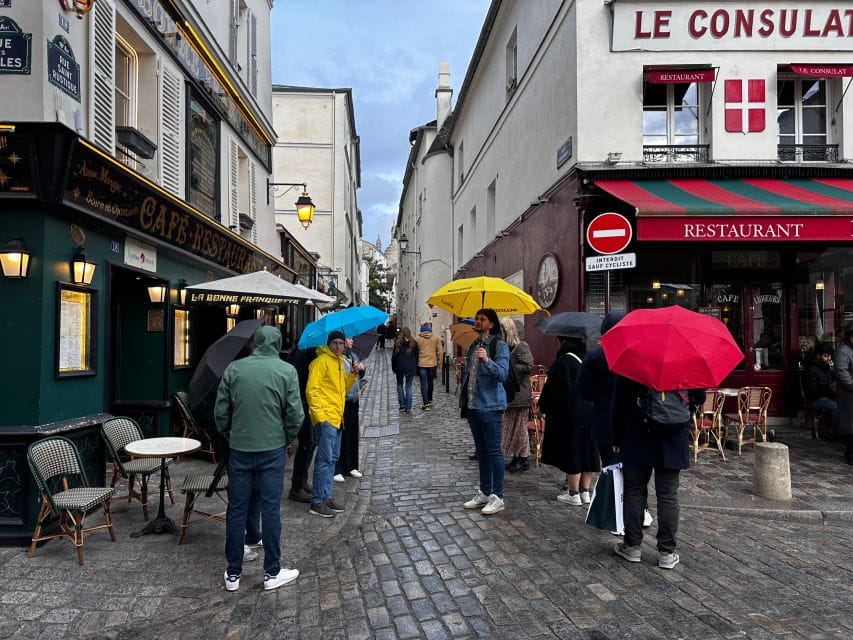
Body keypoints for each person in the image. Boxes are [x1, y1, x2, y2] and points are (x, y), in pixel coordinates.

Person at [214, 326, 304, 592]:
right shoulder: (286, 371)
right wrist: (286, 437)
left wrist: (230, 434)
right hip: (272, 448)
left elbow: (220, 411)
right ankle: (272, 572)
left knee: (236, 509)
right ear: (277, 344)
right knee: (270, 509)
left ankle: (233, 573)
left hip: (240, 448)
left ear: (255, 343)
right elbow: (295, 415)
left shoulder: (234, 369)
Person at [611, 377, 705, 570]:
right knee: (668, 495)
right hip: (674, 437)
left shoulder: (634, 361)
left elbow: (619, 402)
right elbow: (700, 397)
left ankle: (632, 546)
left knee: (634, 490)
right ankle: (667, 553)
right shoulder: (686, 363)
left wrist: (616, 437)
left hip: (638, 433)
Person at [575, 313, 654, 531]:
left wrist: (600, 397)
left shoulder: (594, 357)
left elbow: (581, 389)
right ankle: (642, 511)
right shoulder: (637, 354)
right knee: (636, 470)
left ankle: (617, 516)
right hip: (634, 421)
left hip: (604, 420)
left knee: (610, 467)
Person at [306, 331, 362, 517]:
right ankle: (316, 501)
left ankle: (326, 496)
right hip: (327, 418)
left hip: (338, 417)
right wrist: (320, 417)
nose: (338, 346)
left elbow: (342, 390)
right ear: (329, 344)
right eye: (335, 343)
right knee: (324, 460)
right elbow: (312, 391)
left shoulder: (339, 362)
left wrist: (352, 375)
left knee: (332, 458)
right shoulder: (321, 362)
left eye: (341, 343)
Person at [539, 335, 601, 505]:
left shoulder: (562, 363)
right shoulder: (590, 358)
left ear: (564, 342)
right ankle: (585, 492)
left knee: (572, 451)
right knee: (588, 451)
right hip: (591, 411)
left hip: (569, 414)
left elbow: (551, 391)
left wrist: (542, 407)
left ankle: (573, 493)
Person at [459, 308, 510, 516]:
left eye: (483, 319)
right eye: (477, 318)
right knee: (481, 452)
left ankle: (498, 496)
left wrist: (487, 361)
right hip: (473, 406)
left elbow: (503, 374)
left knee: (494, 451)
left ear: (491, 324)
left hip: (490, 406)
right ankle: (484, 491)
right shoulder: (473, 345)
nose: (478, 322)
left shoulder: (499, 345)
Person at [499, 318, 534, 473]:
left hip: (520, 393)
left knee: (520, 427)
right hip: (509, 393)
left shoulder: (521, 346)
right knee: (510, 427)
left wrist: (510, 368)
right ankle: (516, 456)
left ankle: (523, 459)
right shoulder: (504, 347)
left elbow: (529, 366)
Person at [287, 347, 319, 503]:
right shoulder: (307, 353)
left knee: (311, 442)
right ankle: (296, 486)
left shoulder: (305, 351)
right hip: (303, 403)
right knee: (307, 442)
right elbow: (303, 379)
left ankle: (302, 481)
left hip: (304, 402)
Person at [334, 338, 365, 482]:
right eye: (349, 339)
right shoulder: (337, 359)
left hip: (354, 399)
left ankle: (351, 465)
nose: (352, 341)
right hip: (343, 401)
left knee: (353, 434)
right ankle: (338, 468)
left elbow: (358, 377)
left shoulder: (352, 355)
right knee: (342, 436)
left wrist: (359, 370)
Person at [803, 343, 840, 435]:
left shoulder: (828, 368)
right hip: (816, 399)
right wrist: (829, 388)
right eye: (825, 356)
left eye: (830, 356)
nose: (829, 358)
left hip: (830, 395)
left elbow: (836, 380)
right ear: (818, 356)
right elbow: (812, 390)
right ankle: (838, 433)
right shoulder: (811, 370)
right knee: (837, 407)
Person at [833, 324, 853, 465]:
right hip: (848, 393)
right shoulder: (844, 351)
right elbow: (841, 371)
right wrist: (852, 384)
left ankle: (849, 453)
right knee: (850, 425)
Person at [416, 322, 445, 411]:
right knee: (430, 382)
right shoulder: (436, 338)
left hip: (421, 363)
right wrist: (440, 364)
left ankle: (425, 403)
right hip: (432, 363)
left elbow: (415, 352)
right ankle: (430, 399)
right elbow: (440, 352)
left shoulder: (417, 339)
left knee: (423, 384)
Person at [392, 327, 419, 415]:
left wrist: (394, 367)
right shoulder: (414, 343)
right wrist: (415, 366)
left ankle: (402, 405)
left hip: (399, 367)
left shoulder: (398, 343)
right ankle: (408, 408)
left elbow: (394, 357)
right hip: (410, 367)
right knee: (409, 387)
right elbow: (417, 356)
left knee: (399, 385)